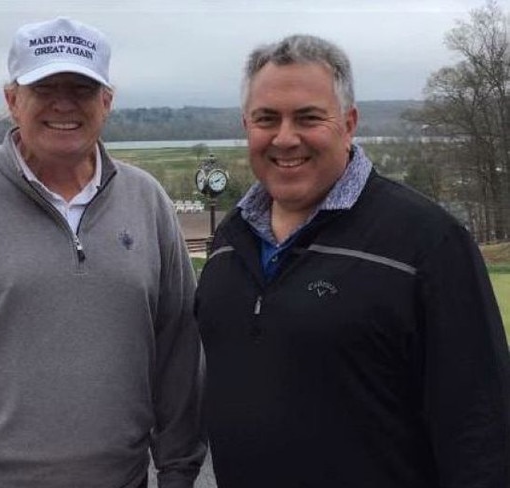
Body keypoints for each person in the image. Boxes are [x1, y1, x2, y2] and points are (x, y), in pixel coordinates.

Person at [0, 17, 205, 488]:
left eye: (82, 89)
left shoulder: (146, 201)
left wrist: (178, 469)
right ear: (12, 100)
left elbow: (179, 353)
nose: (63, 104)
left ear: (107, 102)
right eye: (44, 87)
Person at [195, 34, 510, 488]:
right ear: (247, 124)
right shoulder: (228, 242)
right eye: (267, 119)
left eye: (308, 118)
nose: (285, 137)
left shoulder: (427, 241)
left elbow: (480, 431)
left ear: (349, 122)